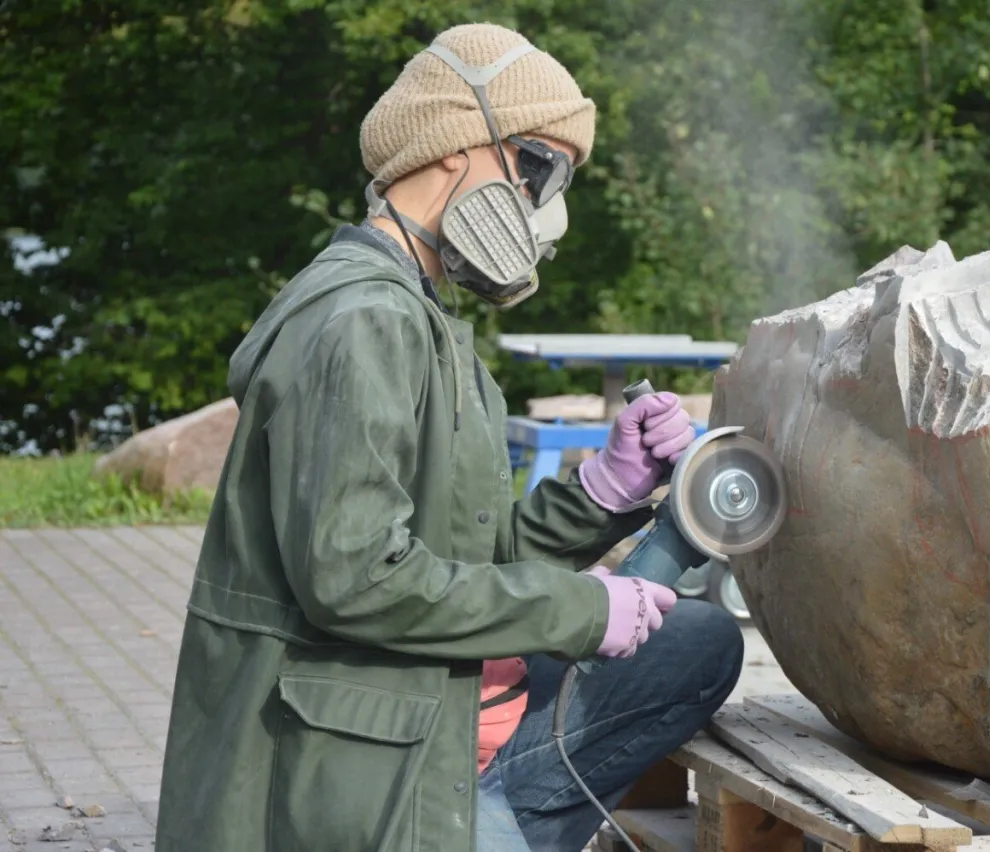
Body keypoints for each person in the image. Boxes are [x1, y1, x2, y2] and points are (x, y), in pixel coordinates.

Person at [154, 21, 745, 852]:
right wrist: (580, 608)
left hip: (401, 714)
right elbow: (356, 579)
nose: (551, 214)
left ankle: (492, 816)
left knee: (697, 643)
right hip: (339, 779)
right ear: (453, 149)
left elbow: (460, 552)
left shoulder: (417, 315)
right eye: (540, 170)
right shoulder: (362, 321)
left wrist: (602, 491)